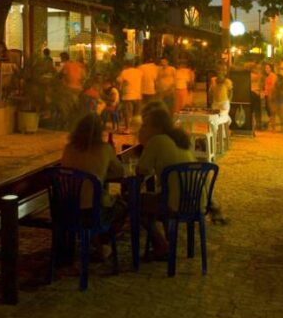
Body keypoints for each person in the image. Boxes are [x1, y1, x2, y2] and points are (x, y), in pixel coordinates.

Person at [60, 114, 127, 258]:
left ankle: (95, 241)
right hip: (92, 212)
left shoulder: (69, 148)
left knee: (98, 199)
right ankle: (102, 242)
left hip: (66, 208)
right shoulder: (105, 149)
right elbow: (119, 171)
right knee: (122, 207)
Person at [137, 107, 195, 259]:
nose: (142, 128)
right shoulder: (179, 140)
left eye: (146, 125)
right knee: (157, 197)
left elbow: (141, 170)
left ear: (158, 127)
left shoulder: (157, 140)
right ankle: (166, 240)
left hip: (175, 202)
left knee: (135, 202)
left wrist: (143, 143)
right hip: (195, 200)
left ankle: (161, 245)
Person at [116, 58, 143, 132]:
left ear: (126, 65)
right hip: (138, 95)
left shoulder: (124, 72)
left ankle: (127, 129)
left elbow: (118, 80)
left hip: (128, 96)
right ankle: (137, 129)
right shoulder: (139, 72)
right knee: (137, 114)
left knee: (127, 113)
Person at [263, 63, 278, 130]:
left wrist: (271, 95)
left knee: (271, 111)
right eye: (265, 68)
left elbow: (273, 85)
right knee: (269, 110)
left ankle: (272, 127)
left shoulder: (273, 75)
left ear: (271, 68)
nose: (266, 69)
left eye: (267, 68)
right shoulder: (268, 76)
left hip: (271, 95)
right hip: (267, 95)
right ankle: (271, 125)